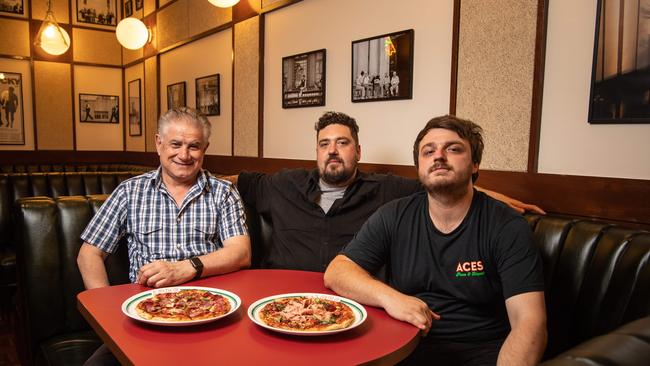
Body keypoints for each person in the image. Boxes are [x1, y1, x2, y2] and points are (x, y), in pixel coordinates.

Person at [324, 115, 547, 365]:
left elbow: (530, 324)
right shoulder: (394, 215)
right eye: (428, 151)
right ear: (419, 167)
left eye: (453, 149)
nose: (438, 156)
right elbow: (337, 272)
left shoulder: (506, 226)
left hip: (481, 351)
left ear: (474, 164)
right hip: (404, 348)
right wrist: (391, 298)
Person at [232, 111, 543, 273]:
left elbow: (445, 184)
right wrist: (189, 176)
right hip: (278, 298)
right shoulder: (284, 184)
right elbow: (231, 181)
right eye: (324, 144)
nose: (333, 151)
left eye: (343, 143)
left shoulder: (386, 189)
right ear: (316, 152)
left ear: (358, 152)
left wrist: (497, 198)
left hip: (352, 302)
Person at [78, 107, 251, 364]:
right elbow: (89, 253)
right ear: (159, 143)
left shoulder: (223, 191)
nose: (184, 154)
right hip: (145, 315)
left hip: (211, 312)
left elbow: (241, 253)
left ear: (205, 149)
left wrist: (186, 268)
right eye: (176, 144)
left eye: (194, 146)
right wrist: (107, 312)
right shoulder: (130, 191)